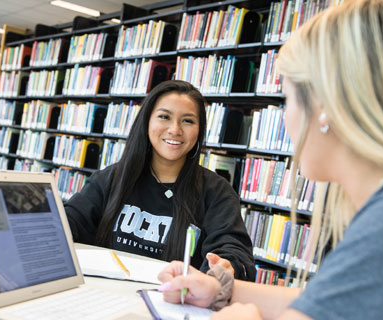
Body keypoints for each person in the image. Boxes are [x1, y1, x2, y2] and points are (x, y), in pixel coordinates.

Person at [157, 0, 383, 319]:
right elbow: (328, 301)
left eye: (286, 98)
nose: (285, 117)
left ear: (324, 104)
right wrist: (221, 292)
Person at [64, 80, 256, 281]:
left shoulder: (216, 191)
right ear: (147, 121)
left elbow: (234, 251)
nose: (175, 130)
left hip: (174, 303)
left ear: (199, 130)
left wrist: (226, 266)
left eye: (188, 121)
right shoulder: (112, 178)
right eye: (164, 117)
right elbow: (69, 222)